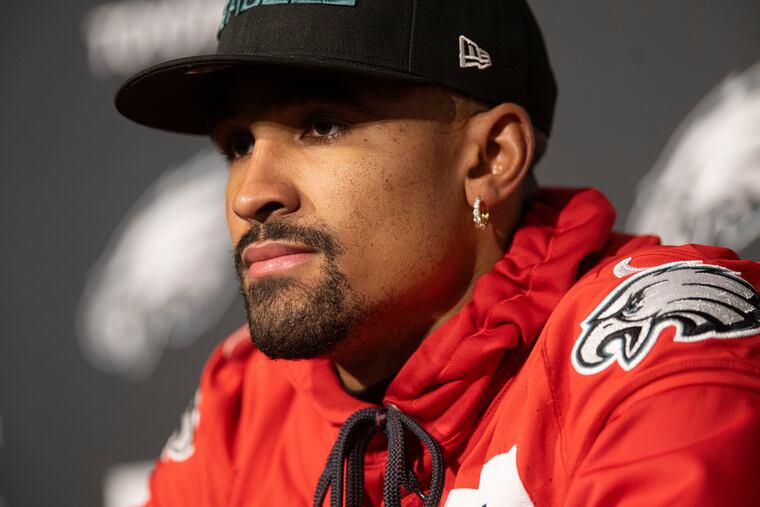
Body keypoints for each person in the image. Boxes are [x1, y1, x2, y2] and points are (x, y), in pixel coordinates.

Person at [115, 1, 760, 505]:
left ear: (490, 159)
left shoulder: (663, 349)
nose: (251, 194)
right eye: (238, 144)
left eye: (323, 126)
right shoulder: (245, 398)